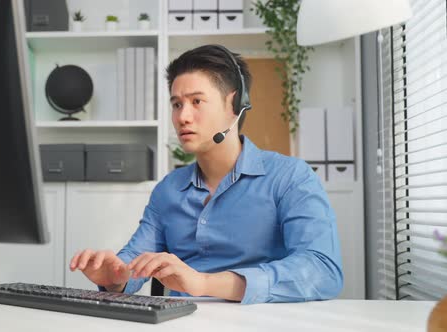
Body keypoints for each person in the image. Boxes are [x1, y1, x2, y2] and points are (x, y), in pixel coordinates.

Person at [70, 44, 343, 304]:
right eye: (176, 104)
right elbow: (133, 260)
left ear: (234, 104)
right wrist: (115, 278)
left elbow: (322, 270)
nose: (183, 117)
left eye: (196, 101)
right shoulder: (168, 190)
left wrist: (204, 283)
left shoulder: (290, 178)